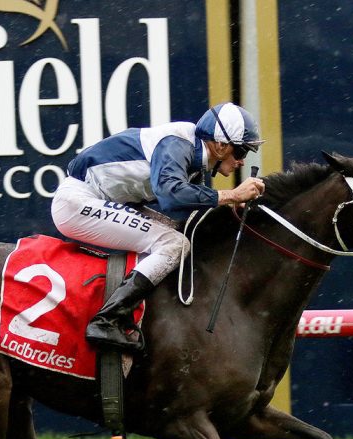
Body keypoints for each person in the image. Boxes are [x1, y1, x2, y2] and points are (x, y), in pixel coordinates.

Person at [51, 102, 267, 352]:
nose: (242, 161)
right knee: (174, 244)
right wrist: (231, 195)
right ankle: (106, 320)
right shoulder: (178, 144)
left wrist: (231, 206)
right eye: (241, 152)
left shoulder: (194, 158)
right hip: (77, 202)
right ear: (220, 145)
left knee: (176, 233)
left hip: (100, 199)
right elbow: (171, 195)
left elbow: (184, 213)